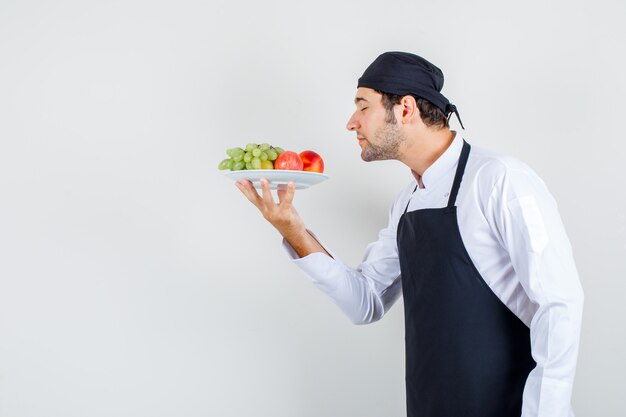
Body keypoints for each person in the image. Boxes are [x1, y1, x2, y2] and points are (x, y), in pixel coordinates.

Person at [235, 51, 584, 417]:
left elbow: (559, 303)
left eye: (362, 106)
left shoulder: (500, 180)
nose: (351, 123)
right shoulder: (406, 203)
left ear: (405, 109)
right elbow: (365, 301)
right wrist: (291, 228)